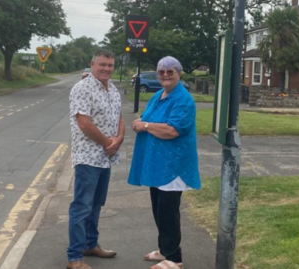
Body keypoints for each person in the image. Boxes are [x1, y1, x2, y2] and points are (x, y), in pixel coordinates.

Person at [128, 56, 201, 269]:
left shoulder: (183, 99)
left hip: (173, 166)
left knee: (168, 212)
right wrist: (140, 122)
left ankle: (174, 258)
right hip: (157, 165)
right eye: (161, 72)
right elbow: (145, 117)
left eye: (170, 71)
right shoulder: (159, 95)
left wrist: (146, 126)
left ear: (179, 73)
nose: (165, 75)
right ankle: (164, 250)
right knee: (158, 209)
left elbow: (172, 130)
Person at [67, 49, 125, 269]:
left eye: (110, 65)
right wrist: (107, 143)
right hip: (88, 158)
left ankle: (90, 244)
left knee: (97, 204)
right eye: (102, 65)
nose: (107, 69)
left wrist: (118, 140)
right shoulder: (82, 88)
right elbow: (84, 123)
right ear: (92, 64)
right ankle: (74, 257)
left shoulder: (113, 89)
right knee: (82, 206)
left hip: (105, 158)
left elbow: (119, 118)